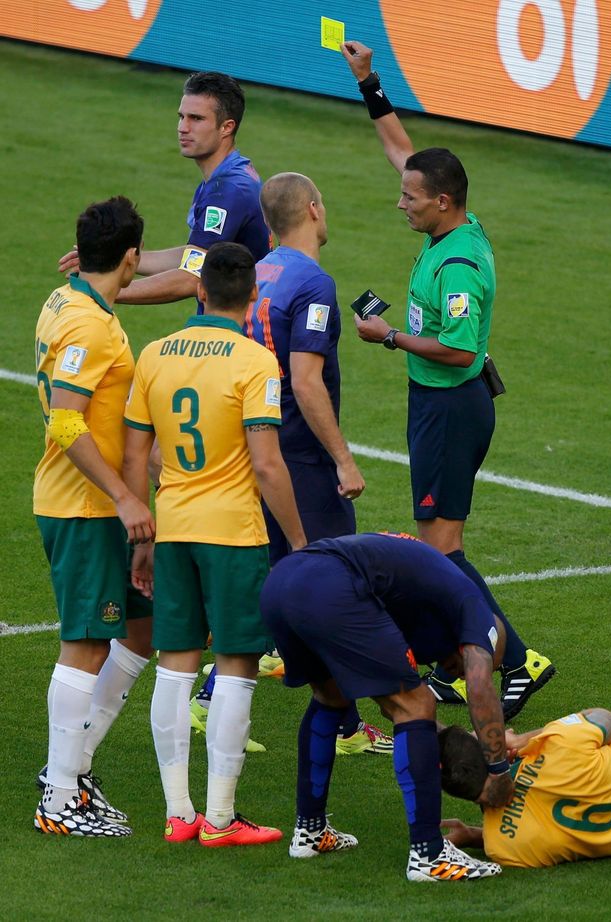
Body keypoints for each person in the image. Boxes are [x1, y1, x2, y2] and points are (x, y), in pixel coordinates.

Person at [341, 40, 554, 717]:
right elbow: (399, 149)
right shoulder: (449, 227)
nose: (398, 203)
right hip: (435, 403)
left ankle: (516, 659)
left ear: (442, 201)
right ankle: (460, 660)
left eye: (410, 198)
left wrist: (390, 336)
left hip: (452, 406)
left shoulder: (459, 267)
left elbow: (460, 352)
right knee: (437, 546)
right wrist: (370, 83)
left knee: (441, 549)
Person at [192, 172, 393, 756]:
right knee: (330, 585)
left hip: (257, 444)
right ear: (312, 209)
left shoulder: (261, 272)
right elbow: (306, 382)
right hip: (299, 457)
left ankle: (342, 724)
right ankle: (213, 698)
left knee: (278, 578)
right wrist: (344, 460)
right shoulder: (313, 282)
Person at [122, 242, 306, 846]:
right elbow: (268, 466)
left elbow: (137, 454)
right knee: (236, 665)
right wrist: (300, 543)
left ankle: (179, 815)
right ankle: (221, 818)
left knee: (174, 664)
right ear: (252, 296)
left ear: (199, 291)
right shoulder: (255, 362)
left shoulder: (154, 354)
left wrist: (142, 529)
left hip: (171, 527)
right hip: (232, 534)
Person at [258, 530, 546, 881]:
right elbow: (480, 685)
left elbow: (389, 706)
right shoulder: (479, 615)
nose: (457, 672)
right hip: (330, 583)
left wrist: (448, 739)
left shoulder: (417, 610)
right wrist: (498, 770)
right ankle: (429, 854)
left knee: (330, 696)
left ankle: (311, 831)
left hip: (282, 583)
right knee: (419, 702)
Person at [33, 196, 155, 837]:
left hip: (89, 501)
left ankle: (72, 773)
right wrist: (124, 496)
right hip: (83, 504)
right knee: (83, 643)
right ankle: (59, 797)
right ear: (131, 257)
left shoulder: (68, 301)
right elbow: (66, 418)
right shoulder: (90, 325)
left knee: (140, 630)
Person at [59, 71, 270, 309]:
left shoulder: (227, 189)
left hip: (245, 333)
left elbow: (191, 278)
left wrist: (102, 289)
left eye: (196, 119)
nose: (183, 127)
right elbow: (198, 255)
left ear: (226, 127)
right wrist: (123, 262)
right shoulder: (230, 175)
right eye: (181, 116)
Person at [439, 710, 611, 867]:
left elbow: (531, 826)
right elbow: (609, 721)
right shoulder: (559, 745)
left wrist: (472, 835)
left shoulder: (501, 847)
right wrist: (524, 740)